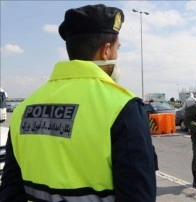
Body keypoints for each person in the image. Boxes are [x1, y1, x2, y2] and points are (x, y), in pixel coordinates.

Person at [0, 4, 157, 201]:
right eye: (118, 49)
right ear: (106, 51)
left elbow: (10, 192)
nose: (117, 56)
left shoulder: (24, 109)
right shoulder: (123, 108)